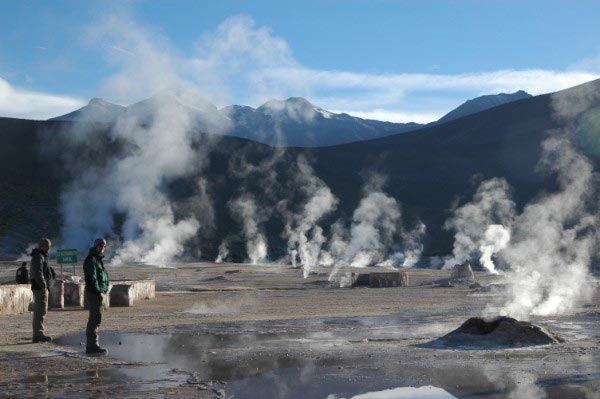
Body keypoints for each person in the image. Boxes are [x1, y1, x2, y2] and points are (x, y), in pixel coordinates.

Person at [83, 238, 109, 355]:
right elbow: (91, 278)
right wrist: (98, 291)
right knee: (94, 319)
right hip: (94, 294)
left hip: (98, 293)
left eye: (103, 246)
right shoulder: (91, 260)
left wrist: (105, 288)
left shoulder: (98, 260)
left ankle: (93, 345)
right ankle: (92, 346)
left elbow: (102, 277)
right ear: (95, 246)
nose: (102, 248)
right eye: (100, 246)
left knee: (96, 319)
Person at [30, 238, 52, 343]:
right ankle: (38, 334)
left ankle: (38, 333)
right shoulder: (38, 256)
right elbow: (38, 272)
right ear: (42, 246)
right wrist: (43, 286)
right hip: (39, 288)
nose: (49, 249)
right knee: (40, 311)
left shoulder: (40, 256)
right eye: (47, 246)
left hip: (39, 287)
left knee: (41, 310)